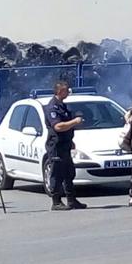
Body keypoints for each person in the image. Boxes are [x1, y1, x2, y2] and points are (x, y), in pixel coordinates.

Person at [43, 81, 86, 211]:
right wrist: (75, 122)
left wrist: (70, 140)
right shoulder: (52, 107)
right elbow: (58, 126)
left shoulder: (62, 106)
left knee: (69, 173)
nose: (68, 92)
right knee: (57, 174)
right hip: (56, 146)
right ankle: (56, 202)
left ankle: (71, 200)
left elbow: (65, 127)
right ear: (60, 91)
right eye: (66, 90)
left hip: (65, 145)